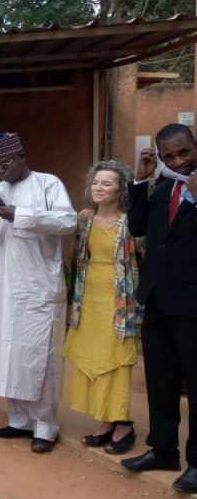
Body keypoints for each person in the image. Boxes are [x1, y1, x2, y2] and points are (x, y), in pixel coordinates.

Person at [0, 132, 77, 454]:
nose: (1, 171)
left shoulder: (49, 184)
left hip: (37, 290)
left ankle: (45, 425)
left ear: (21, 156)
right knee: (8, 355)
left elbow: (68, 222)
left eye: (5, 163)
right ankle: (19, 420)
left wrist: (22, 216)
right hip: (3, 290)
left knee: (38, 358)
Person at [120, 123, 197, 493]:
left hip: (193, 304)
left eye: (185, 152)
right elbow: (137, 228)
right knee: (160, 381)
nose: (179, 161)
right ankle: (163, 449)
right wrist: (140, 181)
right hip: (157, 300)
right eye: (170, 156)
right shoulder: (163, 186)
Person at [64, 160, 142, 455]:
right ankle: (105, 422)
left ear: (121, 188)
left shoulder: (131, 221)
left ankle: (124, 423)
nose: (99, 188)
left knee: (116, 361)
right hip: (88, 299)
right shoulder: (85, 218)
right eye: (96, 182)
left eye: (107, 183)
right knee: (92, 357)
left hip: (121, 301)